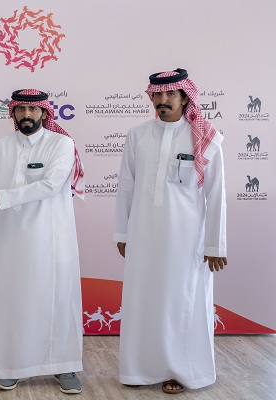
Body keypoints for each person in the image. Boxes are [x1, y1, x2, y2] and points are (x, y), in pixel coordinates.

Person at [0, 89, 85, 394]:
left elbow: (51, 185)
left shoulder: (61, 144)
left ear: (44, 112)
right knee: (10, 301)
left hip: (50, 238)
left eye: (32, 109)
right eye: (21, 109)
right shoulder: (0, 147)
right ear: (13, 113)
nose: (26, 115)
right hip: (9, 239)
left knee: (56, 299)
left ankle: (64, 365)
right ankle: (9, 366)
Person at [113, 68, 227, 395]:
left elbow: (216, 193)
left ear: (185, 98)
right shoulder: (138, 135)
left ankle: (180, 369)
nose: (163, 100)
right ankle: (139, 369)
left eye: (170, 94)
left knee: (181, 302)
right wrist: (122, 233)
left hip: (187, 239)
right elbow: (125, 186)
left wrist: (215, 245)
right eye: (157, 94)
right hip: (143, 233)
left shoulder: (206, 138)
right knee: (143, 300)